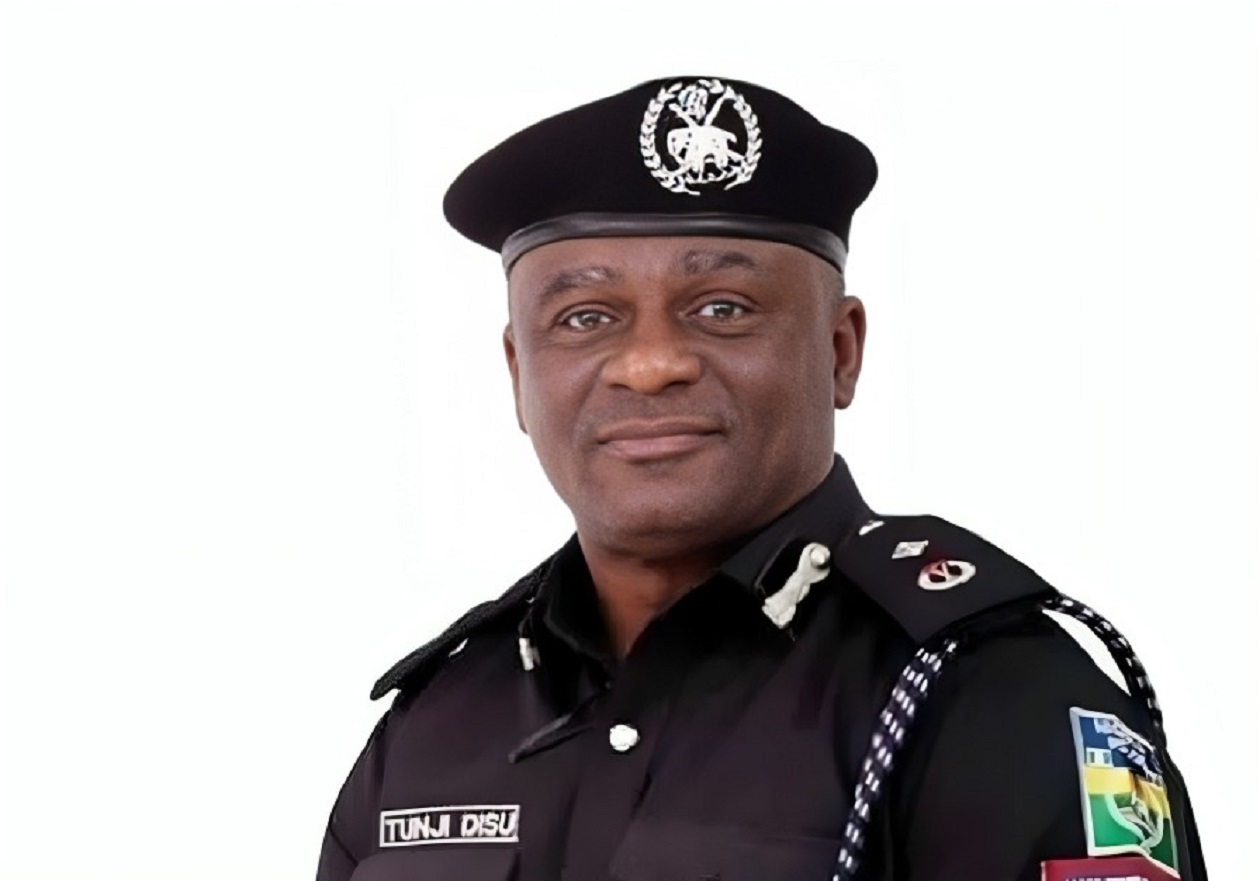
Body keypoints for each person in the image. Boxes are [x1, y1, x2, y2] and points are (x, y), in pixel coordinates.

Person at [314, 76, 1208, 881]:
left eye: (722, 308)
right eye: (586, 317)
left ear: (840, 351)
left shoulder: (993, 696)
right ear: (519, 374)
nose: (651, 364)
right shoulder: (433, 722)